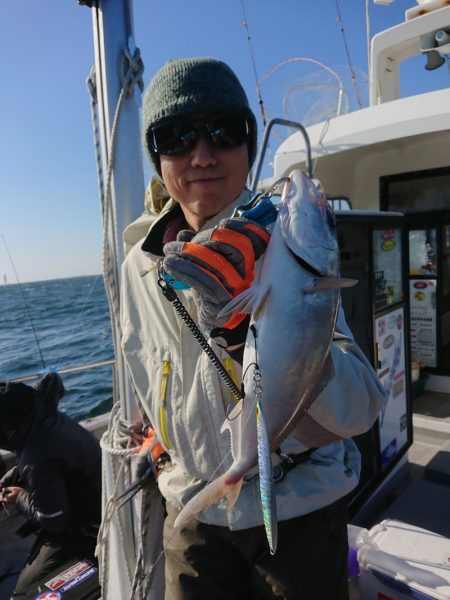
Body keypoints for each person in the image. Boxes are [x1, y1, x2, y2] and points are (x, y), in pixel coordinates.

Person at [120, 57, 386, 600]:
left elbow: (360, 408)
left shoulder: (286, 236)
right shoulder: (138, 268)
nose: (201, 154)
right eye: (176, 137)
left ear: (247, 142)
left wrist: (248, 334)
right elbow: (147, 370)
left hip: (302, 509)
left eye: (223, 130)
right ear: (157, 156)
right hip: (192, 509)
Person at [0, 372, 101, 598]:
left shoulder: (36, 456)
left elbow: (54, 520)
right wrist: (17, 473)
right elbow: (52, 458)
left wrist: (19, 498)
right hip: (92, 500)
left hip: (88, 526)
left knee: (23, 590)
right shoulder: (46, 418)